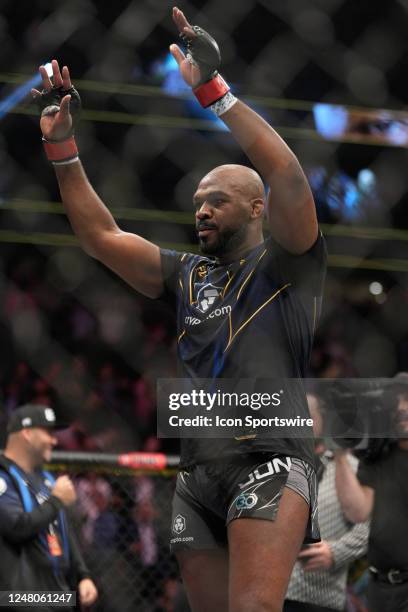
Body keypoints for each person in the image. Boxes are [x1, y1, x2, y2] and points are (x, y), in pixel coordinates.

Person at [32, 7, 326, 611]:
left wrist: (213, 93)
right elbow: (102, 237)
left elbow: (288, 174)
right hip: (197, 473)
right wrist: (61, 146)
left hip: (267, 462)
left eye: (217, 202)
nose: (202, 211)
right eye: (197, 203)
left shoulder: (288, 261)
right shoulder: (184, 274)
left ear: (255, 209)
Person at [0, 404, 98, 610]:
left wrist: (83, 575)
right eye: (48, 432)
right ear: (26, 433)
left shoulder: (45, 478)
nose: (54, 440)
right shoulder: (3, 476)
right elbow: (16, 527)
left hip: (57, 596)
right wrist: (56, 500)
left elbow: (63, 530)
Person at [284, 393, 369, 612]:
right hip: (266, 593)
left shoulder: (351, 468)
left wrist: (336, 552)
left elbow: (370, 526)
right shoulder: (274, 465)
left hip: (318, 596)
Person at [334, 373, 408, 612]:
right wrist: (339, 454)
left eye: (407, 400)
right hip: (381, 589)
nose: (401, 408)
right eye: (395, 402)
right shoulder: (378, 456)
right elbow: (358, 512)